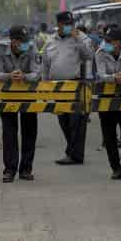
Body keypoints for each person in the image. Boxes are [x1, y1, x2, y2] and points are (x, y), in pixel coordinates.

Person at [43, 11, 93, 165]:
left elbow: (89, 55)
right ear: (58, 24)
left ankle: (74, 154)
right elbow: (45, 65)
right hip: (57, 87)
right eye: (65, 24)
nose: (68, 26)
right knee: (63, 121)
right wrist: (45, 87)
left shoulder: (82, 38)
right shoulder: (50, 41)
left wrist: (77, 38)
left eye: (70, 24)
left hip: (76, 85)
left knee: (76, 122)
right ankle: (74, 152)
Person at [0, 25, 41, 183]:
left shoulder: (32, 48)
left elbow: (37, 73)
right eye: (20, 41)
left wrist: (25, 76)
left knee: (29, 132)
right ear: (12, 41)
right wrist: (9, 75)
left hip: (28, 95)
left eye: (25, 41)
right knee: (9, 134)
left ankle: (26, 169)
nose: (24, 44)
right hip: (7, 95)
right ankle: (9, 170)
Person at [96, 27, 121, 181]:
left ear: (118, 42)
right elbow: (101, 74)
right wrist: (114, 77)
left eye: (109, 40)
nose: (106, 43)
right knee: (109, 136)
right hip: (106, 99)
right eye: (105, 40)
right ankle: (116, 168)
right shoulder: (100, 53)